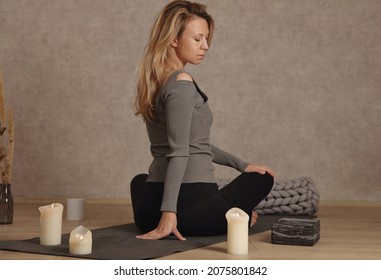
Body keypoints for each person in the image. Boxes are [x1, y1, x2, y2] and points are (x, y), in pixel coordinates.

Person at [131, 0, 274, 240]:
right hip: (193, 216)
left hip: (145, 216)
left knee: (139, 181)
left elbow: (191, 143)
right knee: (264, 179)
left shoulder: (154, 83)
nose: (205, 46)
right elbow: (180, 151)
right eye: (197, 39)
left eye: (206, 39)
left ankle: (163, 214)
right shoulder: (182, 84)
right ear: (174, 39)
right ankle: (228, 215)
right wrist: (169, 212)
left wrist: (241, 165)